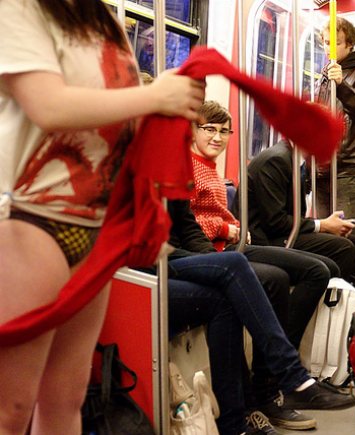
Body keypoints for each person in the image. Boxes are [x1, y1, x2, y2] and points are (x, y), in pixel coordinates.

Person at [0, 1, 204, 433]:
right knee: (10, 408)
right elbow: (48, 106)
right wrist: (154, 95)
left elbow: (115, 113)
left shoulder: (102, 19)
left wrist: (165, 102)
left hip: (97, 225)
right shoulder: (18, 8)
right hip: (31, 215)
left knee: (67, 399)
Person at [157, 200, 355, 435]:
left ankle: (235, 425)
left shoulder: (168, 179)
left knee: (227, 293)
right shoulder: (132, 173)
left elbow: (189, 229)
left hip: (180, 257)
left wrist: (209, 263)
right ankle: (291, 376)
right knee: (235, 264)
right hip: (149, 262)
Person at [188, 102, 337, 390]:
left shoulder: (210, 169)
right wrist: (229, 229)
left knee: (322, 267)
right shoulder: (191, 168)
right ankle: (276, 376)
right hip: (214, 250)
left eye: (223, 131)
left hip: (231, 243)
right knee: (295, 274)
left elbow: (215, 214)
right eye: (209, 130)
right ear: (193, 130)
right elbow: (191, 223)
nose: (217, 137)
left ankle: (282, 370)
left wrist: (234, 229)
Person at [237, 139, 355, 290]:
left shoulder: (295, 160)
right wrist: (323, 225)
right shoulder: (276, 160)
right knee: (343, 248)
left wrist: (325, 225)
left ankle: (344, 301)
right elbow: (275, 222)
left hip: (280, 233)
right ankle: (326, 306)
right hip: (263, 239)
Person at [313, 17, 355, 280]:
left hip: (349, 166)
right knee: (326, 239)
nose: (330, 49)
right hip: (322, 168)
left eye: (336, 43)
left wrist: (342, 86)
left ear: (349, 44)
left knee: (353, 240)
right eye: (326, 43)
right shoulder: (325, 78)